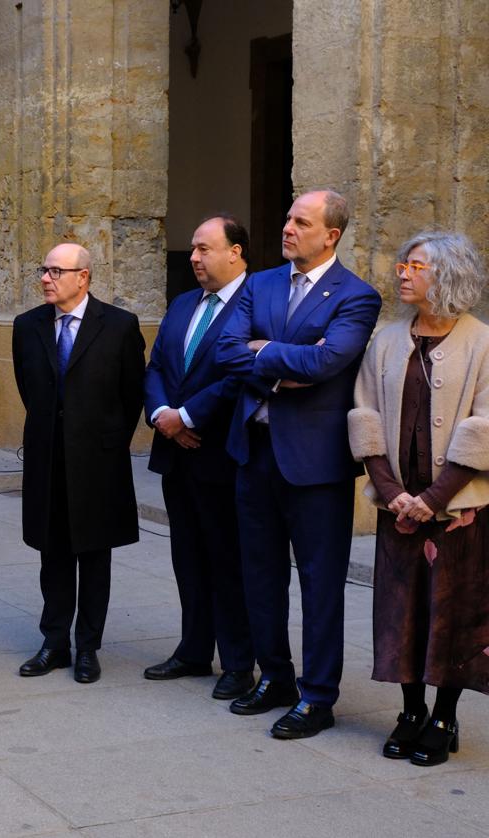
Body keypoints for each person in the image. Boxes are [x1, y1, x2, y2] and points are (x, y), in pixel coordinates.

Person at [216, 189, 382, 738]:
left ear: (330, 235)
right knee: (259, 575)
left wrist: (263, 352)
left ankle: (317, 696)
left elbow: (330, 360)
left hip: (316, 466)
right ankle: (276, 678)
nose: (287, 227)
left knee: (320, 583)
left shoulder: (356, 296)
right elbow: (226, 350)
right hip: (254, 453)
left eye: (300, 221)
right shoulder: (259, 283)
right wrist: (285, 364)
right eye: (287, 217)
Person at [348, 231, 489, 766]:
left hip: (458, 509)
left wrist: (433, 497)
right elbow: (365, 416)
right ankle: (410, 711)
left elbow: (485, 425)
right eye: (403, 264)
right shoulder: (386, 340)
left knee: (453, 611)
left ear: (446, 274)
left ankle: (445, 716)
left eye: (415, 266)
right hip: (398, 508)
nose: (402, 273)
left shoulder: (482, 341)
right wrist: (392, 493)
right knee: (401, 611)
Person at [11, 242, 144, 683]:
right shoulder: (28, 326)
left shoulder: (119, 326)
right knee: (53, 553)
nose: (45, 278)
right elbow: (29, 388)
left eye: (55, 271)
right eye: (43, 270)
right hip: (48, 457)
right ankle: (54, 643)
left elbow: (131, 396)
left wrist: (103, 441)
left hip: (98, 461)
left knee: (94, 554)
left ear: (82, 277)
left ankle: (88, 646)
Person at [143, 215, 254, 700]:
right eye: (192, 249)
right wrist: (164, 414)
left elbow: (242, 375)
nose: (193, 257)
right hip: (177, 454)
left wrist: (189, 416)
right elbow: (159, 366)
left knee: (226, 559)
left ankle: (237, 662)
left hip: (222, 452)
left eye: (205, 248)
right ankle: (193, 649)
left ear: (236, 252)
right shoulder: (184, 303)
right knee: (186, 555)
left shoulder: (257, 304)